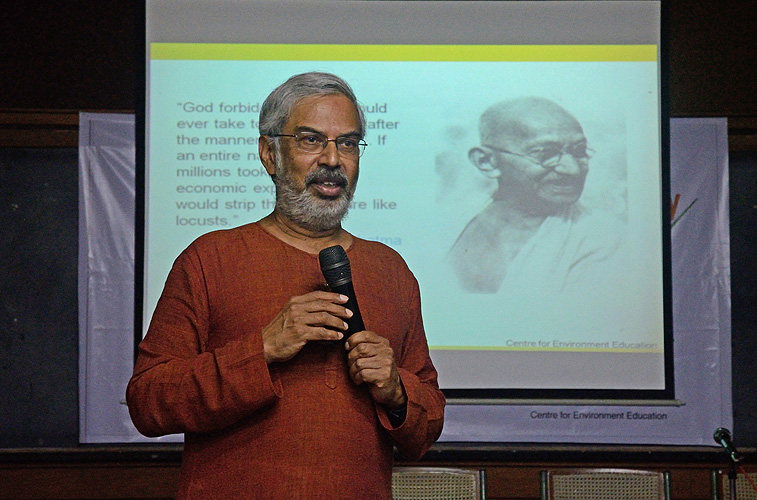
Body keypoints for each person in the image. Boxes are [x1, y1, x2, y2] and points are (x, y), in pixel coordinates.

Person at [126, 72, 445, 499]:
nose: (333, 159)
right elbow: (148, 402)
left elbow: (428, 424)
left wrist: (395, 390)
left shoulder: (391, 270)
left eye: (348, 143)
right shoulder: (209, 259)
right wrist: (260, 350)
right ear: (269, 154)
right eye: (311, 140)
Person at [448, 96, 623, 294]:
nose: (572, 170)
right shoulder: (448, 223)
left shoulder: (605, 240)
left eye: (579, 151)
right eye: (546, 154)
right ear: (486, 161)